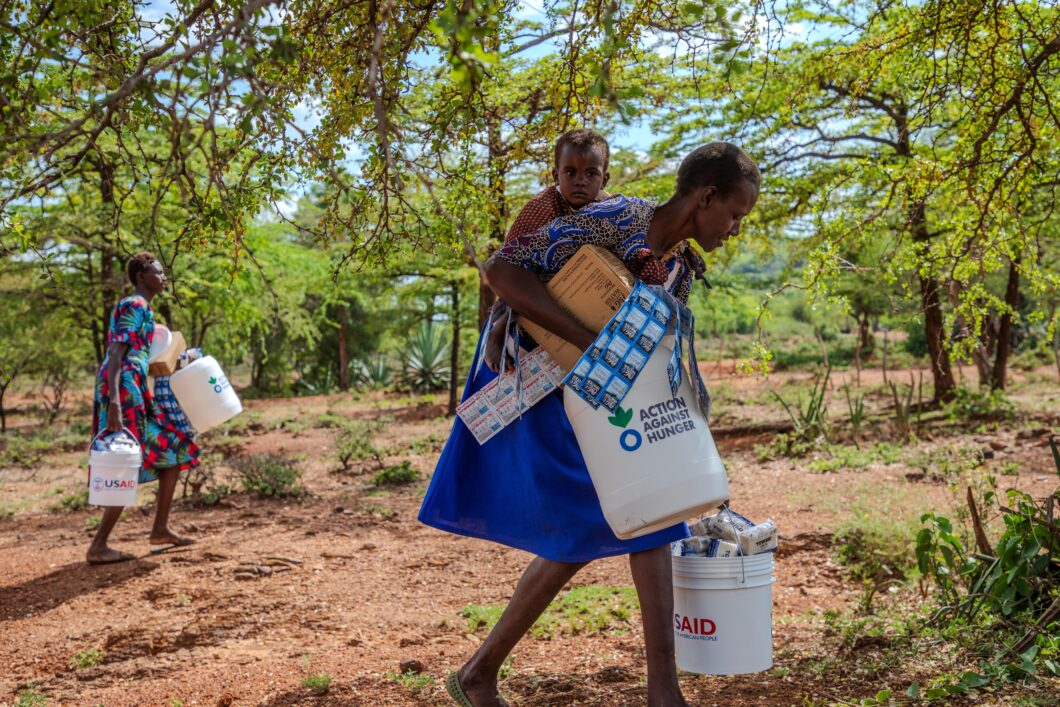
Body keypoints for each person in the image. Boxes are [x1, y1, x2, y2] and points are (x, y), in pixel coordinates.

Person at [421, 142, 760, 706]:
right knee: (624, 520)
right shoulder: (616, 218)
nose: (734, 228)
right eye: (734, 214)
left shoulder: (676, 267)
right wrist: (586, 341)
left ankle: (490, 674)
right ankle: (657, 693)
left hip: (595, 397)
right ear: (705, 197)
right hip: (532, 379)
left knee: (644, 514)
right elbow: (502, 270)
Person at [86, 252, 200, 565]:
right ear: (141, 277)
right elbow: (116, 353)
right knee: (125, 460)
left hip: (133, 388)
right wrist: (114, 403)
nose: (163, 277)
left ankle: (160, 529)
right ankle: (98, 546)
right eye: (158, 272)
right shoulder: (134, 305)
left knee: (174, 449)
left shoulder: (144, 310)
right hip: (122, 390)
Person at [484, 128, 612, 372]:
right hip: (530, 294)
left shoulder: (613, 210)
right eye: (570, 172)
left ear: (604, 179)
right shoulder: (541, 208)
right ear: (556, 175)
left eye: (591, 173)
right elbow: (508, 265)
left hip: (585, 297)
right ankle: (498, 331)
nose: (580, 181)